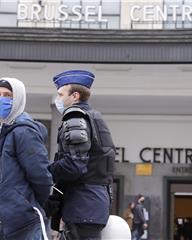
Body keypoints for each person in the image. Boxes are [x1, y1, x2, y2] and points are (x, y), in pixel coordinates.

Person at [46, 70, 115, 240]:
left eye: (61, 94)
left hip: (83, 206)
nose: (58, 99)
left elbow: (74, 166)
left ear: (75, 96)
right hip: (91, 206)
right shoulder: (95, 117)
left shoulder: (75, 117)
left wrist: (46, 168)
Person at [0, 78, 53, 240]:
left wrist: (28, 205)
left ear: (18, 99)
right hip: (2, 213)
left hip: (20, 217)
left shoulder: (23, 132)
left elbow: (41, 176)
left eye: (8, 95)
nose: (1, 99)